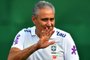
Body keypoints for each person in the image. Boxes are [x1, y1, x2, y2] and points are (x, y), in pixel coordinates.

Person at [8, 1, 79, 60]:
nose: (49, 24)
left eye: (52, 19)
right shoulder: (23, 34)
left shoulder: (65, 37)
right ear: (34, 20)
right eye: (44, 19)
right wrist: (36, 47)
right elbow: (11, 58)